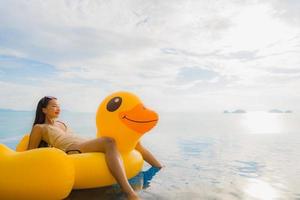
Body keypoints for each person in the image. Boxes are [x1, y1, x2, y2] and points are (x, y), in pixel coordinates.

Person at [27, 96, 163, 200]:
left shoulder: (62, 124)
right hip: (74, 149)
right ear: (43, 109)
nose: (58, 109)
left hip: (84, 144)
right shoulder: (40, 128)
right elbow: (30, 153)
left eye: (58, 106)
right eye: (54, 106)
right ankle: (129, 192)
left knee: (127, 142)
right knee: (108, 141)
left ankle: (159, 166)